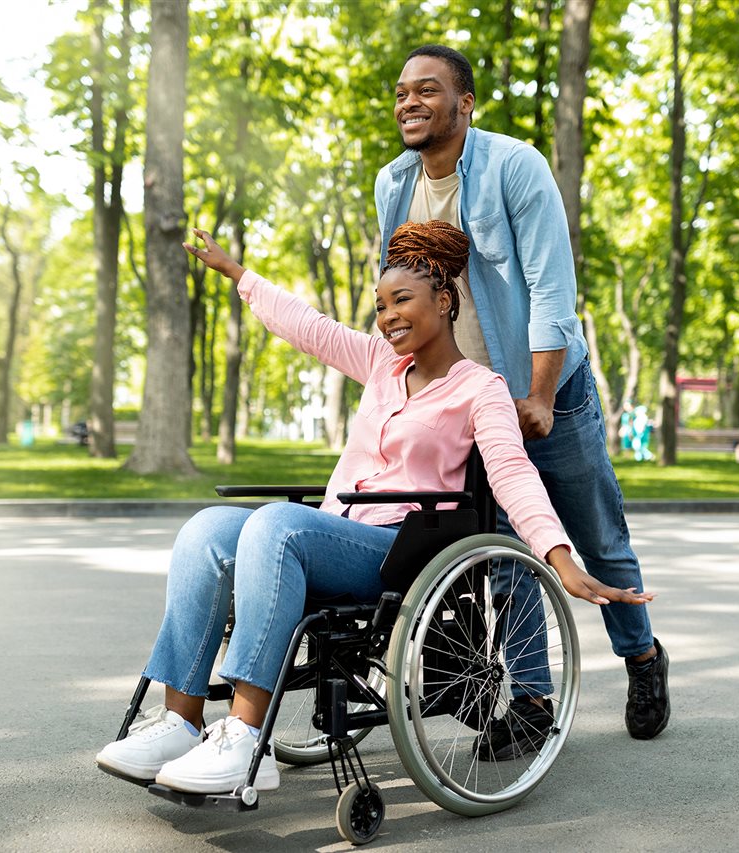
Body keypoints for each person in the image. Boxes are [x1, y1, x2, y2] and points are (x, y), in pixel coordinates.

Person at [94, 221, 654, 795]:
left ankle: (244, 736)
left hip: (399, 551)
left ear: (444, 300)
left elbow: (512, 475)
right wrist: (238, 274)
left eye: (401, 300)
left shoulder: (479, 389)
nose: (386, 317)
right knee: (207, 529)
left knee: (277, 526)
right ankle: (181, 722)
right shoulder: (382, 366)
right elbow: (308, 327)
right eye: (380, 305)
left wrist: (560, 559)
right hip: (337, 530)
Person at [375, 44, 671, 743]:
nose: (409, 103)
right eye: (400, 94)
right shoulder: (393, 183)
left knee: (598, 541)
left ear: (465, 103)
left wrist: (538, 394)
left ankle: (642, 654)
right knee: (503, 554)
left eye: (426, 91)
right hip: (470, 401)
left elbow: (551, 293)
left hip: (551, 392)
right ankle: (533, 704)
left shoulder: (515, 167)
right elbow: (400, 301)